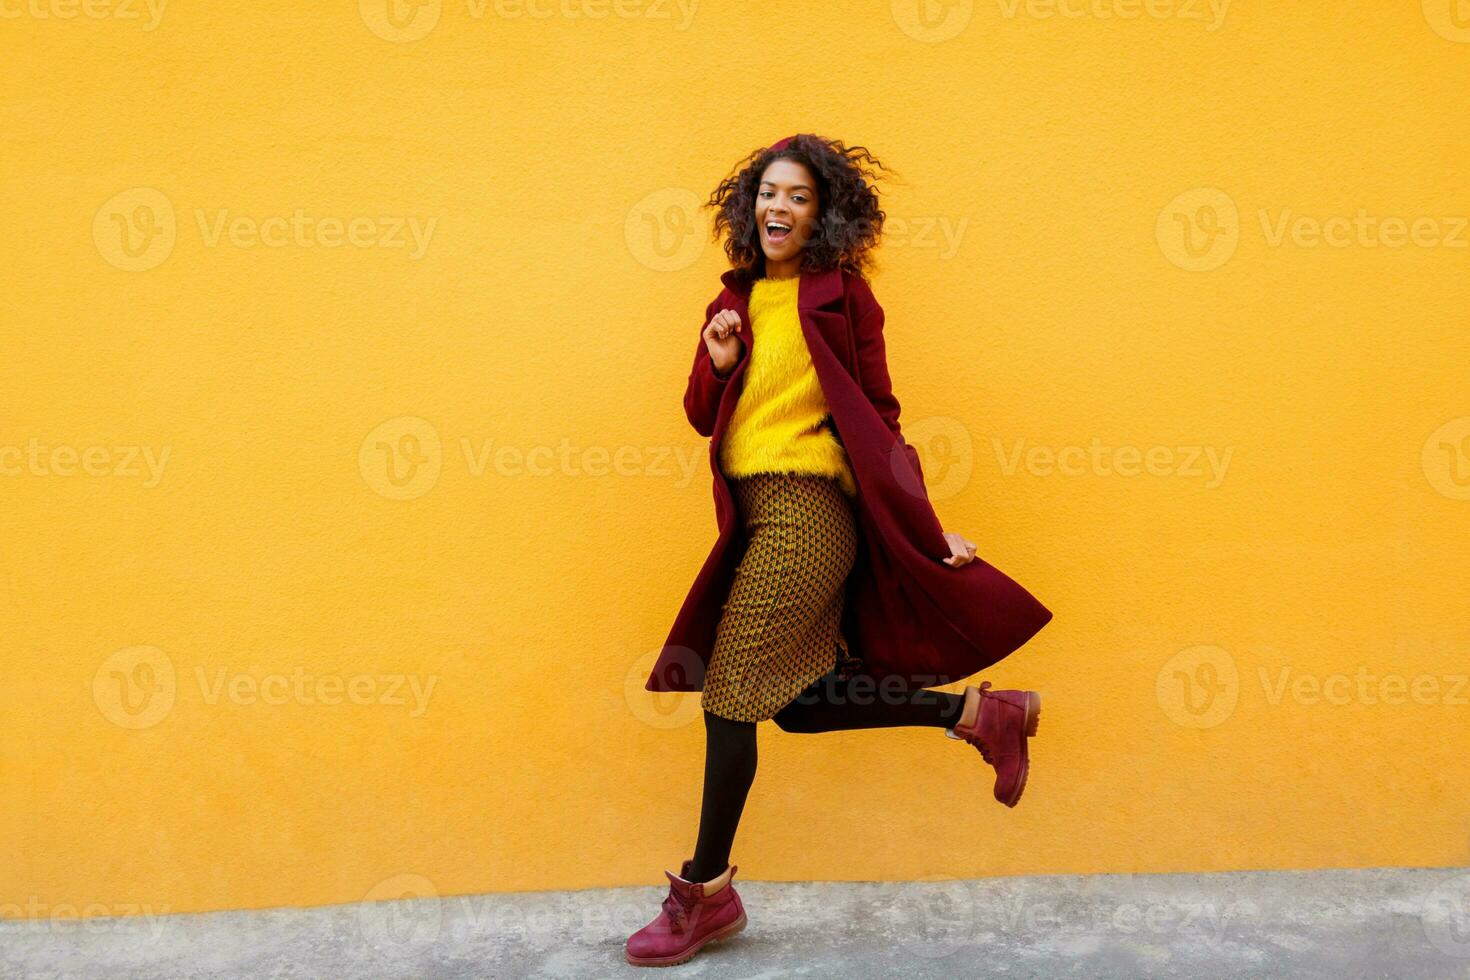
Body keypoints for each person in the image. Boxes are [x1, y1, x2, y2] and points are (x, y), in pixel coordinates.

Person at [625, 134, 1045, 969]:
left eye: (799, 198)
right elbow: (705, 416)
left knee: (729, 696)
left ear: (826, 217)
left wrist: (926, 528)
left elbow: (878, 418)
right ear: (749, 206)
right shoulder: (737, 301)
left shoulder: (844, 299)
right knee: (798, 702)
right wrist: (717, 362)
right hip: (754, 514)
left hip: (811, 510)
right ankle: (975, 714)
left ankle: (703, 896)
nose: (777, 208)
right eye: (768, 194)